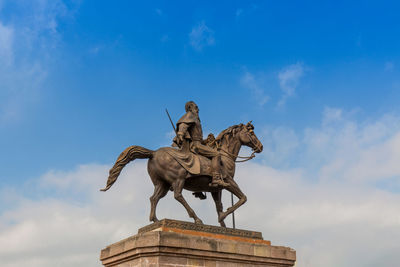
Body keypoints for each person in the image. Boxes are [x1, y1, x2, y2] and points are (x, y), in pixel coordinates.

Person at [174, 101, 229, 187]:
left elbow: (196, 138)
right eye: (196, 107)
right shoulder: (190, 115)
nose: (198, 109)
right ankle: (216, 179)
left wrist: (206, 141)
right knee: (216, 154)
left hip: (198, 144)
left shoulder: (195, 118)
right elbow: (183, 125)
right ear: (190, 108)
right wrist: (180, 134)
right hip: (195, 146)